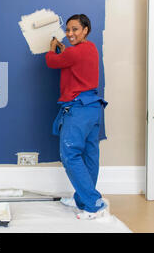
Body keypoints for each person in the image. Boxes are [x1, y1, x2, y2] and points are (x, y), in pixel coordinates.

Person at [45, 14, 109, 220]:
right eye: (68, 30)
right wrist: (65, 50)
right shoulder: (90, 48)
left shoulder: (74, 52)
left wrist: (51, 47)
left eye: (75, 30)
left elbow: (52, 61)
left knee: (70, 155)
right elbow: (72, 62)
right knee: (90, 155)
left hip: (78, 109)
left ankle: (94, 204)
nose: (70, 34)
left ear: (85, 30)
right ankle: (83, 199)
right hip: (93, 108)